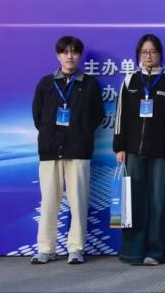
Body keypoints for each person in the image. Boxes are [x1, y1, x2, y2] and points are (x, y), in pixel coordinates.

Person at [31, 36, 104, 265]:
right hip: (50, 150)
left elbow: (97, 115)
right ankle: (46, 248)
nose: (70, 56)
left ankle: (76, 248)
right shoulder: (46, 83)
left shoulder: (89, 84)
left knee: (78, 202)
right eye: (65, 52)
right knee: (49, 202)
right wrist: (50, 134)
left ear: (79, 55)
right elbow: (38, 116)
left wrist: (80, 133)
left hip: (78, 150)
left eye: (74, 52)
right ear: (58, 56)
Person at [113, 34, 165, 265]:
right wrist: (119, 147)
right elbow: (120, 116)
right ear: (138, 55)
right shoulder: (130, 81)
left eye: (153, 51)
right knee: (135, 201)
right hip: (133, 151)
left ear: (160, 54)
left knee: (158, 202)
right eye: (144, 52)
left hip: (161, 154)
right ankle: (133, 252)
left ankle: (156, 251)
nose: (149, 56)